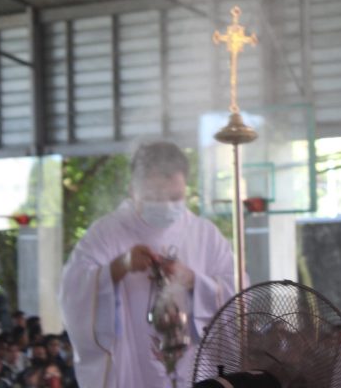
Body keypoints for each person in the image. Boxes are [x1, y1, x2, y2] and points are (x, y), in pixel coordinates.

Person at [59, 141, 237, 388]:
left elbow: (238, 296)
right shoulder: (106, 233)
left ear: (186, 187)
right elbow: (72, 292)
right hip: (132, 368)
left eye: (175, 197)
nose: (166, 205)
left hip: (195, 366)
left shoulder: (205, 235)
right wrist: (118, 267)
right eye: (154, 197)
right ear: (132, 190)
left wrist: (194, 281)